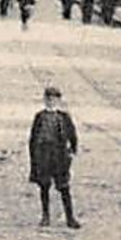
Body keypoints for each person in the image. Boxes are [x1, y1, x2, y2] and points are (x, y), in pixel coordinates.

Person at [27, 85, 80, 229]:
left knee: (64, 188)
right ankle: (45, 216)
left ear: (59, 100)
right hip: (43, 156)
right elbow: (32, 138)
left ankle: (70, 218)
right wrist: (34, 158)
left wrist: (72, 151)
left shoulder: (64, 117)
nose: (51, 102)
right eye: (48, 99)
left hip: (59, 157)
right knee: (44, 187)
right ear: (44, 100)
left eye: (54, 99)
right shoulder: (39, 117)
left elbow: (72, 135)